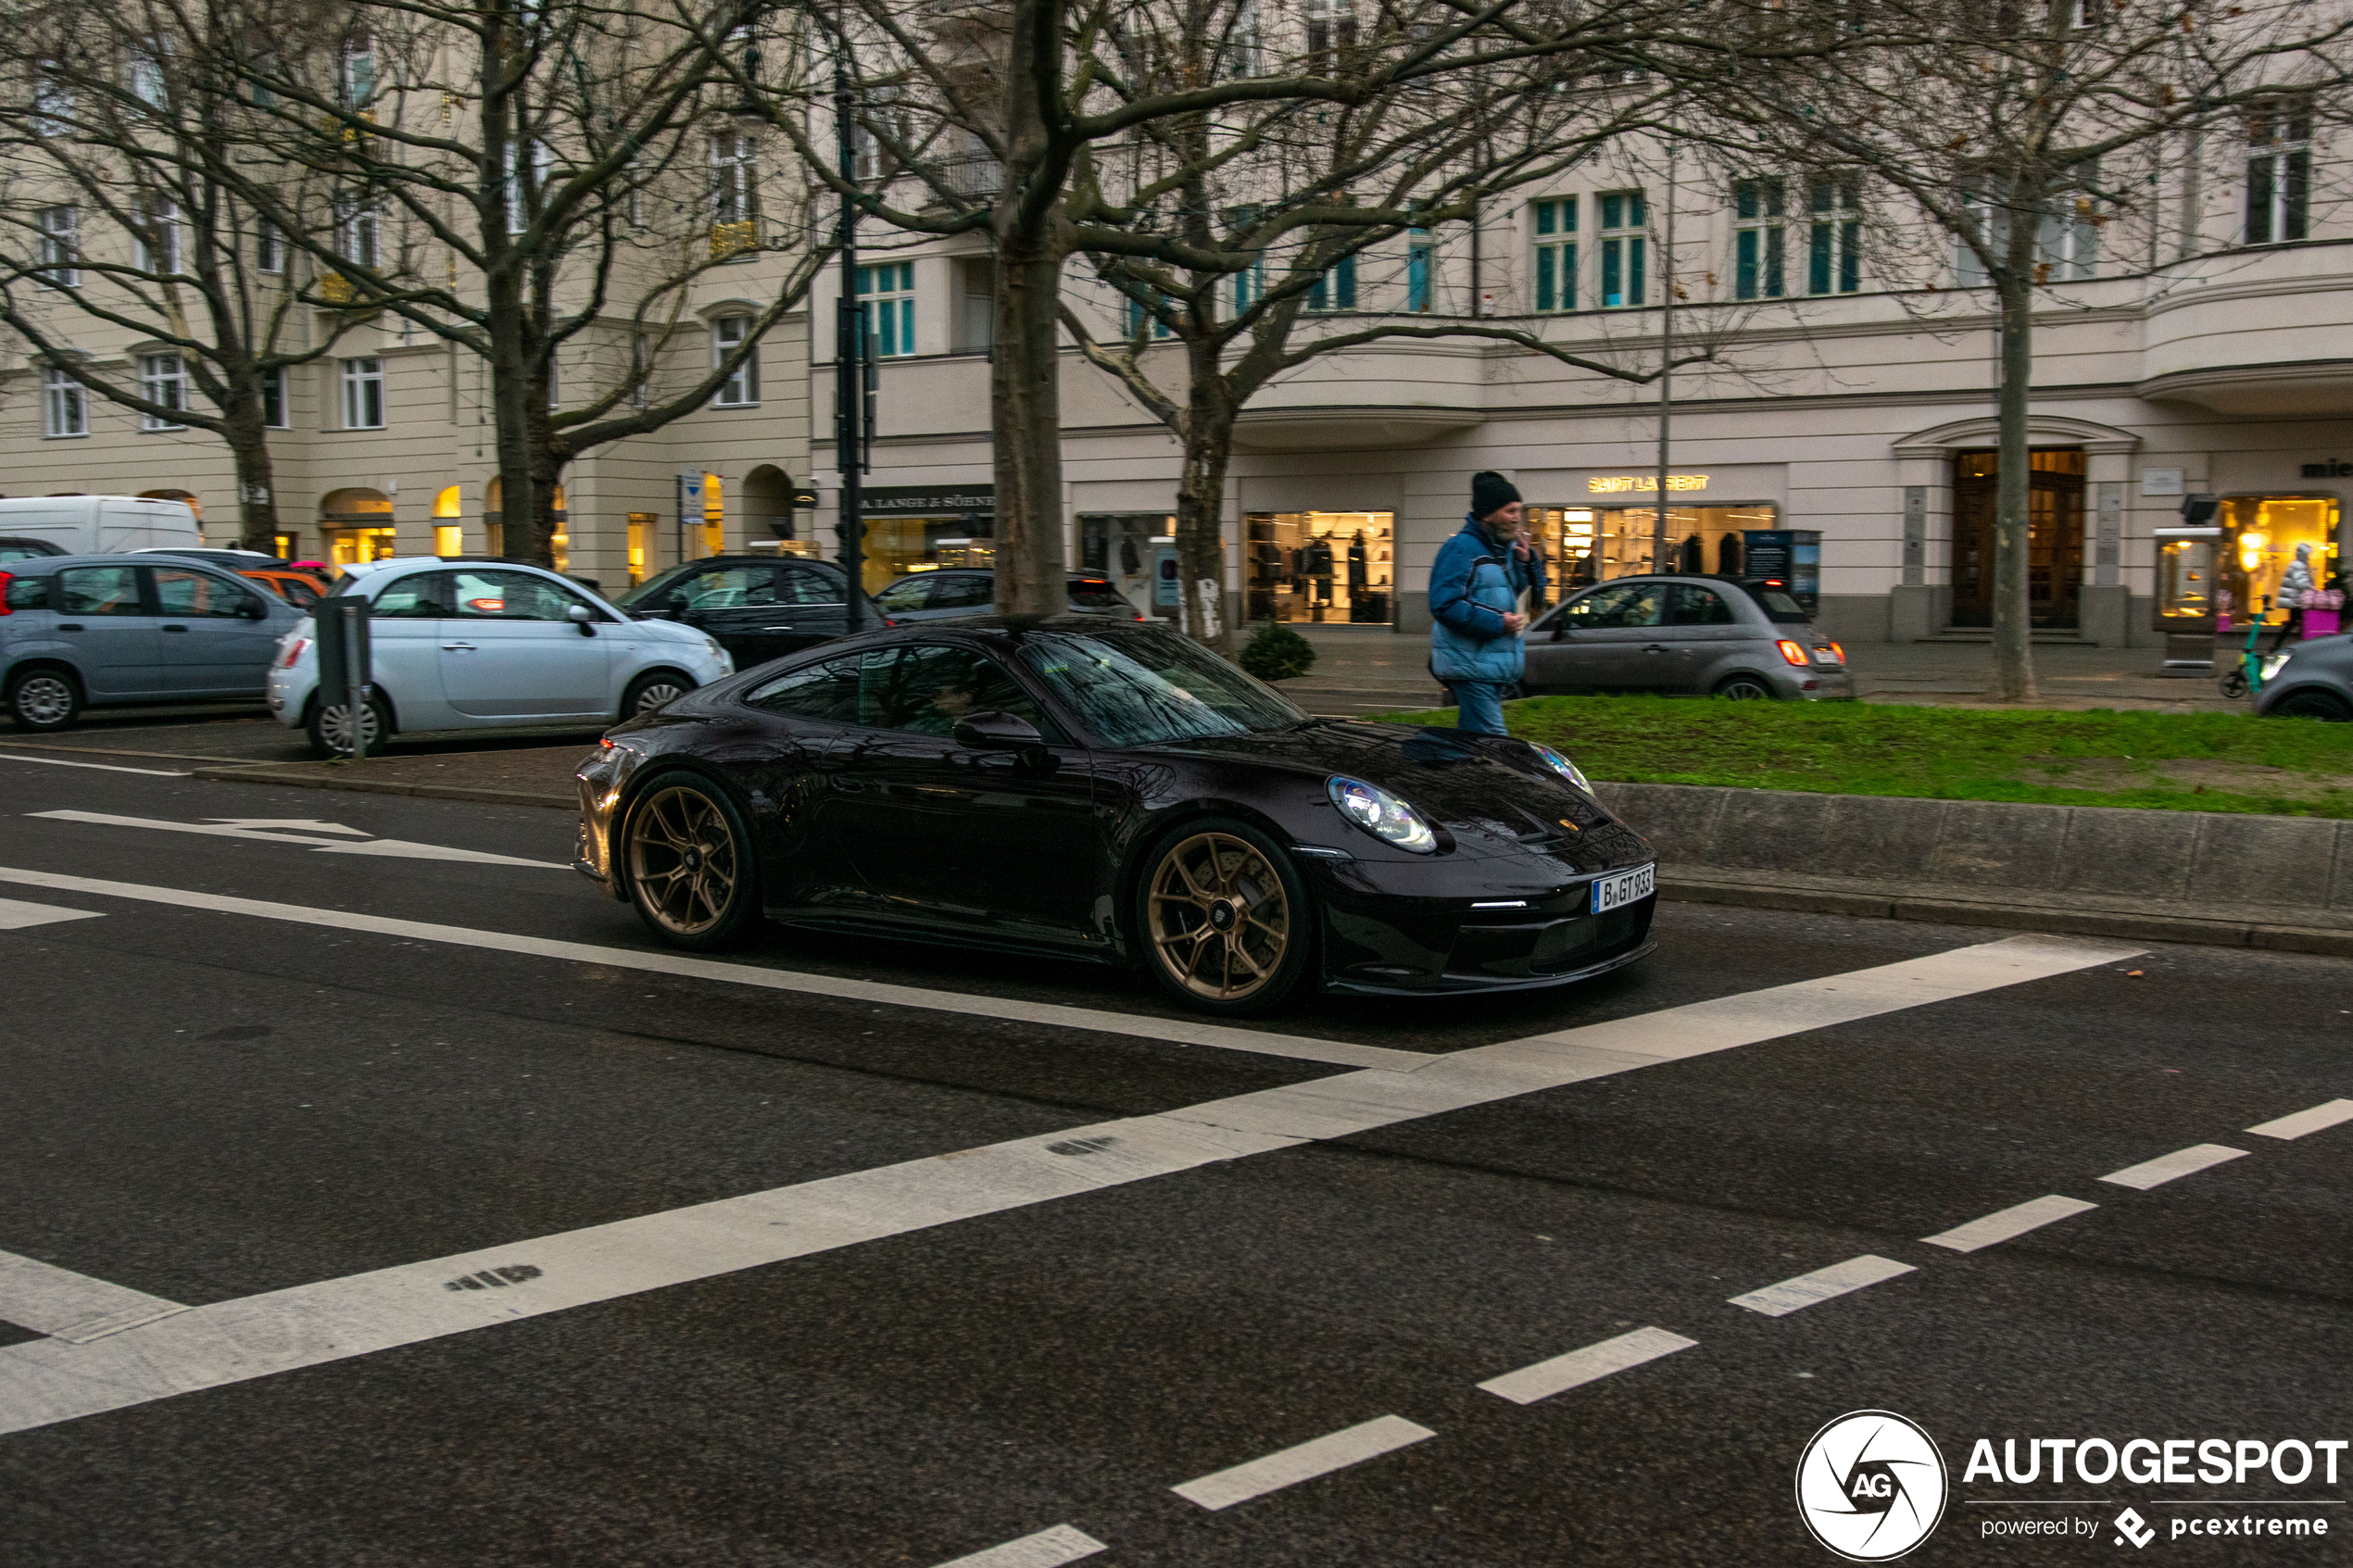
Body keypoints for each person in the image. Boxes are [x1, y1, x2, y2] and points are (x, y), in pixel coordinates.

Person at [1429, 470, 1546, 736]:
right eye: (1510, 511)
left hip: (1490, 665)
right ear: (1487, 513)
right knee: (1494, 741)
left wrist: (1527, 563)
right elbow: (1444, 604)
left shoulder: (1505, 551)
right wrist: (1498, 622)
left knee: (1475, 745)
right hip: (1470, 665)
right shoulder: (1461, 549)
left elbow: (1528, 596)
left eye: (1519, 510)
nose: (1517, 517)